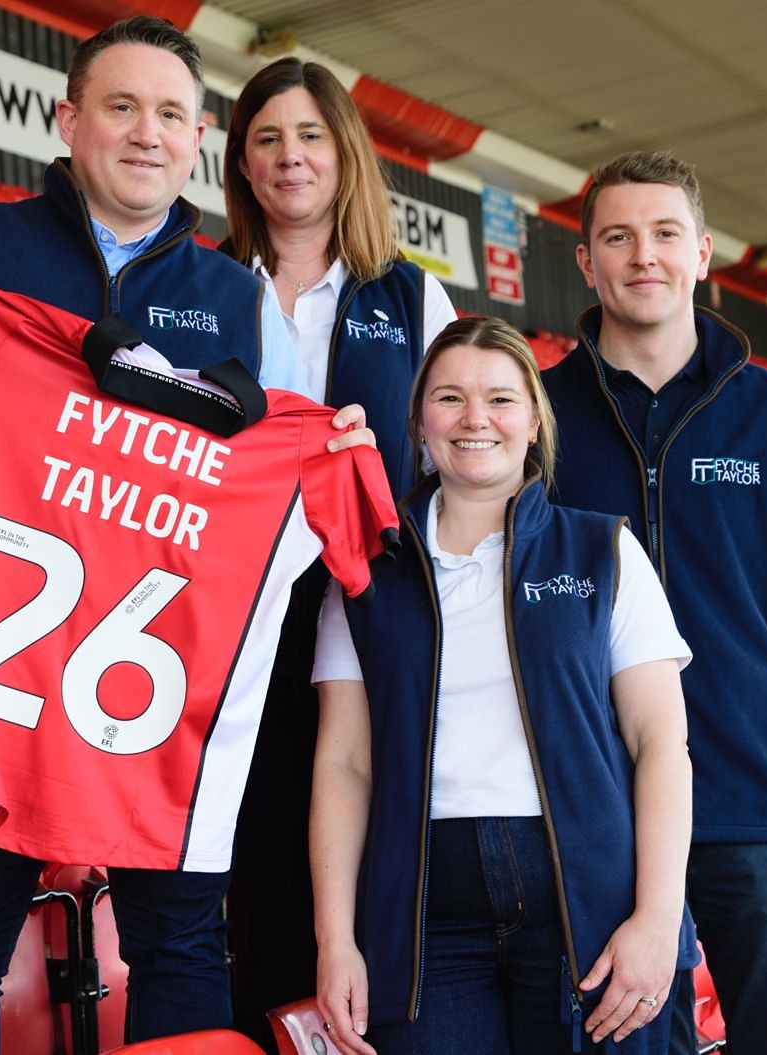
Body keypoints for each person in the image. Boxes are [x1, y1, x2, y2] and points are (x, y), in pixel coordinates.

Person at [0, 16, 374, 1053]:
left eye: (168, 115)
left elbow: (291, 464)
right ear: (67, 121)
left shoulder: (239, 297)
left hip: (169, 686)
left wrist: (331, 449)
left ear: (195, 138)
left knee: (186, 944)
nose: (144, 134)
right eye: (119, 107)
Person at [310, 317, 693, 1054]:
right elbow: (342, 764)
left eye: (500, 399)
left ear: (532, 421)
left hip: (588, 907)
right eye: (450, 397)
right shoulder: (365, 573)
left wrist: (656, 916)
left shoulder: (604, 548)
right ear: (420, 419)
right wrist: (335, 938)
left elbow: (661, 744)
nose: (475, 418)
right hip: (424, 917)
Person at [540, 151, 767, 1055]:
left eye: (666, 233)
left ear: (704, 253)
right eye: (619, 236)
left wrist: (749, 722)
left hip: (760, 806)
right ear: (587, 262)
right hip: (600, 811)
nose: (645, 255)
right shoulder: (541, 418)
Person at [218, 55, 456, 1031]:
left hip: (371, 611)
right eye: (267, 137)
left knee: (382, 839)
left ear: (345, 153)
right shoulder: (204, 287)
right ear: (239, 162)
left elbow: (460, 458)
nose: (289, 157)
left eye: (310, 134)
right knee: (261, 846)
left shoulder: (411, 298)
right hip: (235, 617)